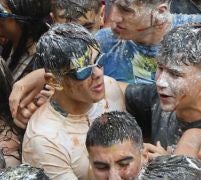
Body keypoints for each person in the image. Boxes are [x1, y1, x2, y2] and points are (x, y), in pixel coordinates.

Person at [23, 23, 127, 180]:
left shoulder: (110, 89)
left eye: (98, 60)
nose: (98, 73)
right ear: (54, 81)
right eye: (83, 70)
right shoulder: (45, 140)